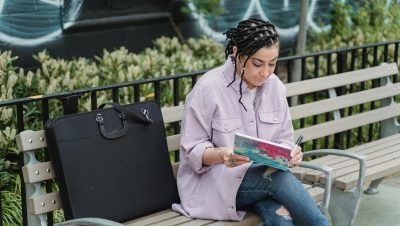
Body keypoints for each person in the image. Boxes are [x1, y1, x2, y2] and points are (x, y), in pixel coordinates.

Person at [171, 18, 329, 226]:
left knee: (282, 219)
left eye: (272, 64)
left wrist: (289, 152)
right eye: (257, 64)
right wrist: (221, 155)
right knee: (279, 179)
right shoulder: (208, 88)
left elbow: (283, 138)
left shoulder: (275, 87)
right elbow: (192, 151)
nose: (265, 73)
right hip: (215, 185)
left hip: (260, 184)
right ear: (237, 54)